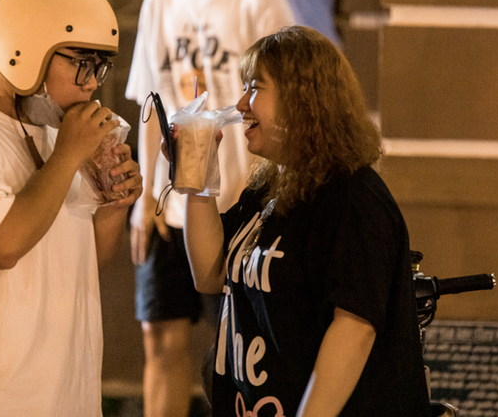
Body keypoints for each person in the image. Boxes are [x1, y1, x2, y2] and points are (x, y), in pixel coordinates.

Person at [180, 26, 432, 416]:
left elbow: (354, 327)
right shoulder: (269, 188)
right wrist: (195, 179)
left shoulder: (353, 197)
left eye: (254, 87)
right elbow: (210, 274)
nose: (241, 103)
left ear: (302, 99)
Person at [125, 0, 294, 417]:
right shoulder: (160, 1)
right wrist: (144, 200)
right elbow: (151, 106)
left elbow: (284, 99)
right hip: (170, 201)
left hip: (241, 197)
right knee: (161, 340)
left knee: (242, 343)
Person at [0, 0, 143, 416]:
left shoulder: (56, 132)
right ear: (24, 48)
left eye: (101, 66)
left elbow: (83, 261)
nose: (92, 83)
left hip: (71, 391)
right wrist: (67, 155)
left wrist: (114, 206)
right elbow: (1, 247)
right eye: (82, 62)